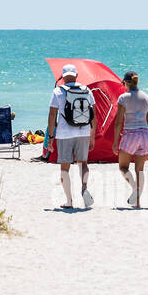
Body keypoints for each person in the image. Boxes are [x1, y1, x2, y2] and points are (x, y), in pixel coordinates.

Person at [46, 64, 96, 209]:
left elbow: (52, 115)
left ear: (62, 77)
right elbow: (94, 115)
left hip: (64, 133)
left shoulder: (57, 91)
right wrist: (92, 135)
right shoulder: (87, 90)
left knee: (65, 168)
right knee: (83, 164)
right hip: (84, 131)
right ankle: (84, 188)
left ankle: (69, 201)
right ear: (76, 75)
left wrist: (50, 137)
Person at [113, 71, 148, 208]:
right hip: (144, 135)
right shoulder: (146, 98)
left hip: (130, 134)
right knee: (140, 170)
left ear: (126, 82)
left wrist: (115, 142)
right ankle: (138, 202)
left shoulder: (123, 98)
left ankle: (134, 188)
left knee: (123, 167)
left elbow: (119, 122)